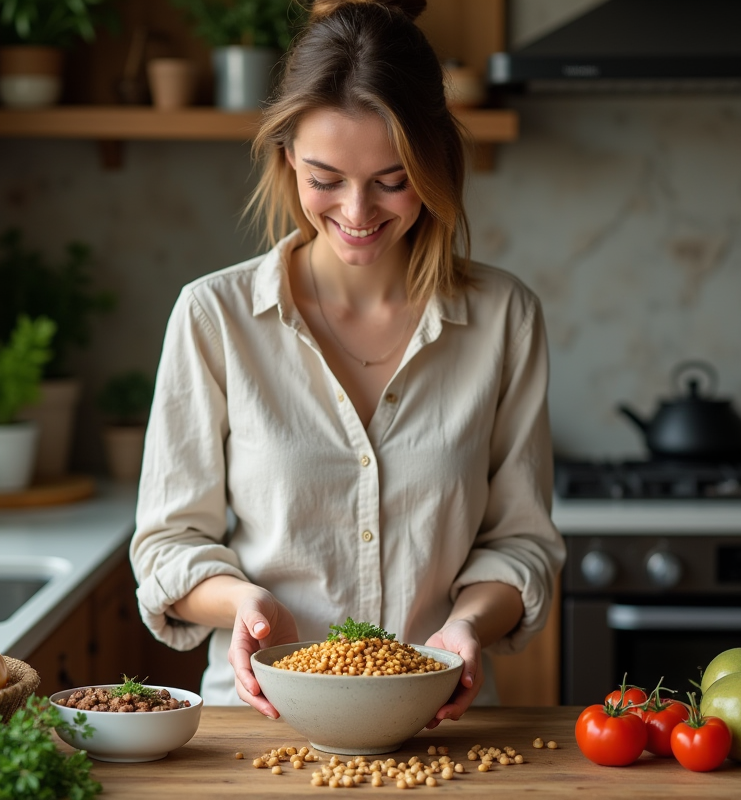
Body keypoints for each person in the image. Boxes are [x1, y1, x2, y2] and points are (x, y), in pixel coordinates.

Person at [130, 0, 565, 726]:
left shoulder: (504, 317)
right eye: (326, 177)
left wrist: (467, 627)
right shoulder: (215, 317)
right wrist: (243, 603)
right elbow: (169, 543)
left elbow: (520, 542)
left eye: (393, 180)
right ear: (287, 157)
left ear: (434, 164)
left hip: (442, 730)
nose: (357, 211)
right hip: (260, 728)